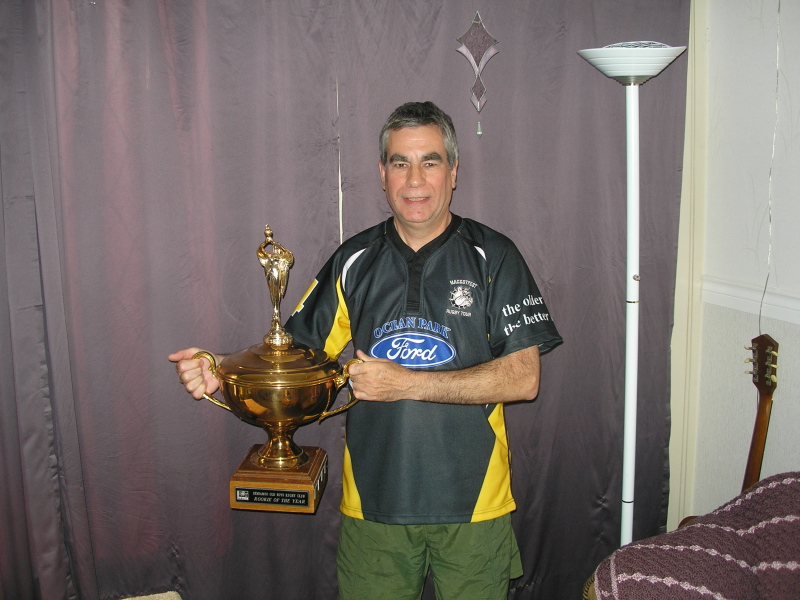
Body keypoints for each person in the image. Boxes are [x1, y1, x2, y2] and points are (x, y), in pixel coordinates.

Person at [169, 101, 562, 599]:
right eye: (400, 163)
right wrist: (221, 368)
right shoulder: (353, 260)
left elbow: (523, 378)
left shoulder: (494, 255)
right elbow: (294, 359)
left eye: (430, 161)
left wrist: (408, 384)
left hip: (474, 506)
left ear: (454, 171)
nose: (414, 180)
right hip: (373, 509)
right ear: (382, 174)